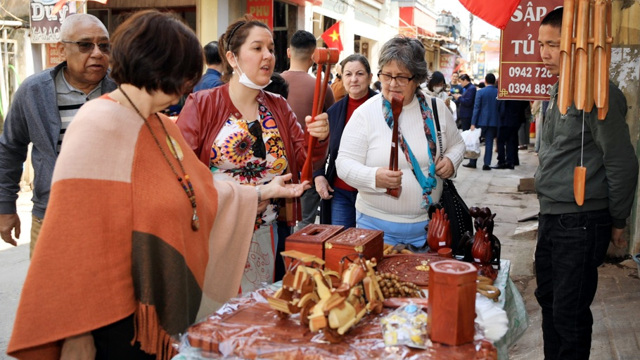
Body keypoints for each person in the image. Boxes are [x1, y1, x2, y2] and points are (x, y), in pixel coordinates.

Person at [7, 10, 310, 360]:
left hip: (146, 307)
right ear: (160, 68)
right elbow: (72, 238)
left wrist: (259, 192)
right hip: (107, 313)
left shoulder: (159, 124)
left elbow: (200, 189)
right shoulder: (97, 123)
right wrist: (77, 331)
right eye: (184, 75)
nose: (188, 88)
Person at [177, 16, 329, 292]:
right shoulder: (202, 103)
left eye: (271, 48)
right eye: (257, 48)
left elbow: (305, 159)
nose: (268, 56)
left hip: (269, 233)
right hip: (218, 231)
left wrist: (319, 137)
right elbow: (183, 174)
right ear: (232, 58)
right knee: (221, 316)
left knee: (263, 315)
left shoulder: (279, 105)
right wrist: (249, 194)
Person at [535, 7, 638, 360]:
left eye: (553, 45)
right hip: (553, 216)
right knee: (548, 302)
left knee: (569, 314)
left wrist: (619, 222)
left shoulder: (597, 93)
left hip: (579, 221)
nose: (545, 53)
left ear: (577, 45)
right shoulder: (559, 90)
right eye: (542, 44)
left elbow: (622, 163)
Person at [0, 14, 115, 256]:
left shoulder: (124, 89)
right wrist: (5, 206)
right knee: (49, 292)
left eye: (104, 45)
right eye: (85, 45)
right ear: (63, 49)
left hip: (114, 219)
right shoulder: (34, 92)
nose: (97, 53)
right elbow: (10, 148)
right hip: (51, 217)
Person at [336, 36, 464, 247]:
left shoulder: (437, 110)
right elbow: (343, 164)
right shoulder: (365, 113)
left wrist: (451, 160)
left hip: (431, 226)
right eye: (387, 75)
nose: (393, 84)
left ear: (417, 79)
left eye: (402, 77)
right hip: (374, 227)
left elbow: (457, 144)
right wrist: (374, 177)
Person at [281, 30, 335, 232]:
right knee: (305, 224)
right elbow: (331, 129)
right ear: (314, 56)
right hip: (308, 166)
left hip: (278, 168)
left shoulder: (271, 84)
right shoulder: (322, 87)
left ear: (288, 52)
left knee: (279, 225)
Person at [314, 54, 376, 227]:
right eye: (348, 74)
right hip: (341, 192)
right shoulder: (334, 112)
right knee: (341, 246)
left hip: (373, 193)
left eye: (360, 74)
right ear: (342, 79)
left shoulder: (384, 107)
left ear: (370, 77)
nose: (354, 79)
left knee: (370, 246)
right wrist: (318, 176)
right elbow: (318, 149)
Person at [464, 73, 498, 170]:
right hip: (493, 122)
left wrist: (473, 123)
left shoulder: (480, 92)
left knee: (476, 141)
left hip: (480, 121)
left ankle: (473, 162)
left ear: (485, 81)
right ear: (494, 81)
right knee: (489, 143)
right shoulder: (498, 92)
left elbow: (476, 108)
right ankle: (486, 164)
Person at [495, 100, 529, 169]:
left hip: (505, 120)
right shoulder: (518, 95)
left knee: (501, 141)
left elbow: (501, 106)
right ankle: (511, 162)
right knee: (511, 141)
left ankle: (501, 161)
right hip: (516, 119)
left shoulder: (505, 93)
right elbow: (525, 103)